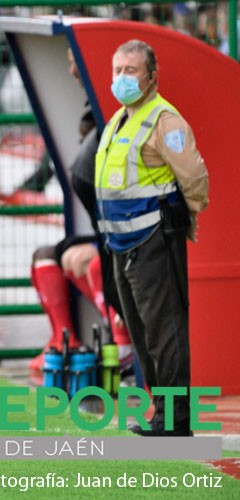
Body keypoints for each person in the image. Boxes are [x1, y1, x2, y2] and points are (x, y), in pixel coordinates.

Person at [95, 39, 208, 436]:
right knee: (143, 333)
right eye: (117, 71)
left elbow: (194, 177)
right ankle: (161, 412)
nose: (122, 78)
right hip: (122, 246)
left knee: (165, 331)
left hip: (153, 240)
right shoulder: (119, 119)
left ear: (151, 77)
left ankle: (175, 421)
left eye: (131, 71)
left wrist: (183, 221)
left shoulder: (164, 121)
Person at [29, 48, 132, 372]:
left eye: (76, 64)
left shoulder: (117, 114)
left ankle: (121, 336)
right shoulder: (93, 106)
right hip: (99, 224)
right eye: (71, 65)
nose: (73, 72)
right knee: (46, 254)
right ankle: (65, 340)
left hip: (126, 225)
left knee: (89, 260)